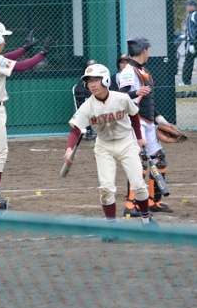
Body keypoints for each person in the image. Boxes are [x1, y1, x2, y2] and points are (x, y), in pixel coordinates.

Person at [0, 22, 54, 210]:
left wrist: (25, 48)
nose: (4, 41)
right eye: (2, 38)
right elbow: (21, 67)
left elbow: (5, 58)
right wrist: (42, 54)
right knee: (0, 153)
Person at [63, 63, 158, 238]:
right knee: (106, 189)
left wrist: (139, 137)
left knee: (138, 185)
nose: (92, 84)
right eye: (89, 81)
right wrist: (69, 149)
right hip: (104, 146)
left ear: (106, 80)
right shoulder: (87, 106)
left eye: (96, 80)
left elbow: (134, 114)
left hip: (126, 143)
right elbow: (75, 130)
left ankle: (146, 221)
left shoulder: (121, 98)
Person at [114, 37, 173, 216]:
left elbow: (147, 99)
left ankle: (153, 201)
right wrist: (136, 92)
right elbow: (120, 96)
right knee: (139, 162)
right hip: (134, 121)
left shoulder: (143, 71)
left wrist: (160, 119)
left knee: (159, 158)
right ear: (144, 50)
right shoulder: (128, 71)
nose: (149, 52)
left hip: (147, 121)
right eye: (148, 49)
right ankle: (131, 205)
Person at [73, 59, 98, 140]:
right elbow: (79, 96)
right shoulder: (83, 82)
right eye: (90, 68)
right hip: (88, 105)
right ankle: (88, 131)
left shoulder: (101, 80)